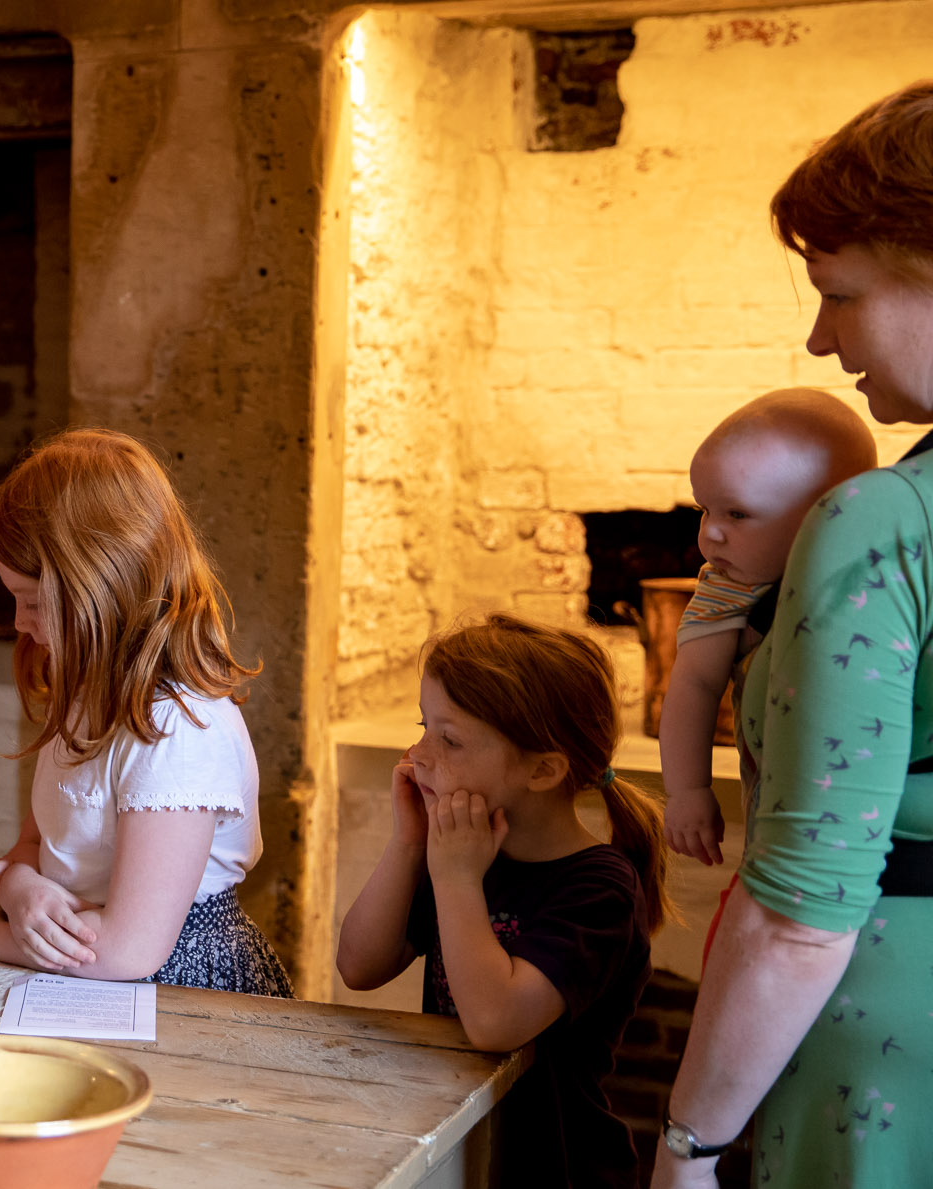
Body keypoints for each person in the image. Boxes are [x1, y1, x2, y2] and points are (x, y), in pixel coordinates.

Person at [654, 82, 933, 1189]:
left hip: (886, 1050)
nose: (818, 341)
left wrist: (687, 1144)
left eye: (839, 293)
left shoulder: (879, 523)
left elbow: (800, 913)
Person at [338, 614, 667, 1189]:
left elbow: (494, 1022)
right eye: (424, 727)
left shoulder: (599, 889)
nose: (418, 753)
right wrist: (409, 841)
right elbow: (360, 966)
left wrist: (458, 880)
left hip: (555, 1169)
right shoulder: (457, 852)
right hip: (463, 1148)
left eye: (451, 739)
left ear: (542, 769)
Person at [0, 429, 292, 996]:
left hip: (176, 989)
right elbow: (33, 845)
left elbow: (128, 948)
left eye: (33, 603)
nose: (19, 624)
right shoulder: (84, 697)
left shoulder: (176, 730)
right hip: (83, 970)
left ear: (104, 588)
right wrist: (20, 886)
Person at [660, 389, 876, 873]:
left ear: (828, 513)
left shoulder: (878, 573)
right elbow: (693, 686)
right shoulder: (730, 588)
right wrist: (688, 790)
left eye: (736, 514)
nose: (711, 533)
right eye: (704, 510)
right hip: (781, 822)